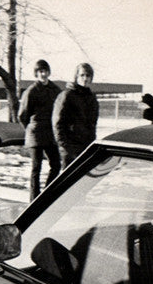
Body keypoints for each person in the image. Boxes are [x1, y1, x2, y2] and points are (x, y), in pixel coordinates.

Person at [17, 59, 62, 199]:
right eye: (40, 71)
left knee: (56, 165)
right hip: (35, 133)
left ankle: (46, 195)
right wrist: (30, 129)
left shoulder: (55, 90)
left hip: (50, 133)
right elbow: (22, 115)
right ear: (36, 74)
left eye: (45, 71)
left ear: (49, 72)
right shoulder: (31, 91)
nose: (43, 74)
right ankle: (34, 198)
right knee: (36, 167)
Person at [53, 62, 99, 168]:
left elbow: (92, 124)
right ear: (76, 77)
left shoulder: (92, 98)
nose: (85, 78)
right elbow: (57, 123)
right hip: (70, 148)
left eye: (88, 75)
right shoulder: (67, 95)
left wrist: (92, 145)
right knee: (68, 181)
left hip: (86, 147)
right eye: (82, 75)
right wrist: (65, 147)